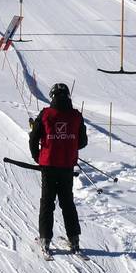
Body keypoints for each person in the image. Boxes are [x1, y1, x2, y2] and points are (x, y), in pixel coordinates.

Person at [28, 83, 87, 255]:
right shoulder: (76, 116)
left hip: (48, 166)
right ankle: (74, 239)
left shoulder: (46, 114)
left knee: (47, 202)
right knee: (67, 202)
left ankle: (45, 239)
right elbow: (82, 142)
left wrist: (38, 158)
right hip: (67, 166)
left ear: (52, 96)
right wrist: (68, 144)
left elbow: (33, 139)